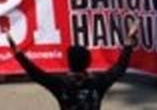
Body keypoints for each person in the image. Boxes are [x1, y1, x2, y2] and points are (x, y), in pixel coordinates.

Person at [7, 22, 138, 110]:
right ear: (88, 62)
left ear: (69, 62)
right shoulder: (98, 82)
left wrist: (17, 52)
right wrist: (129, 41)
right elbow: (120, 67)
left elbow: (35, 73)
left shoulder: (60, 84)